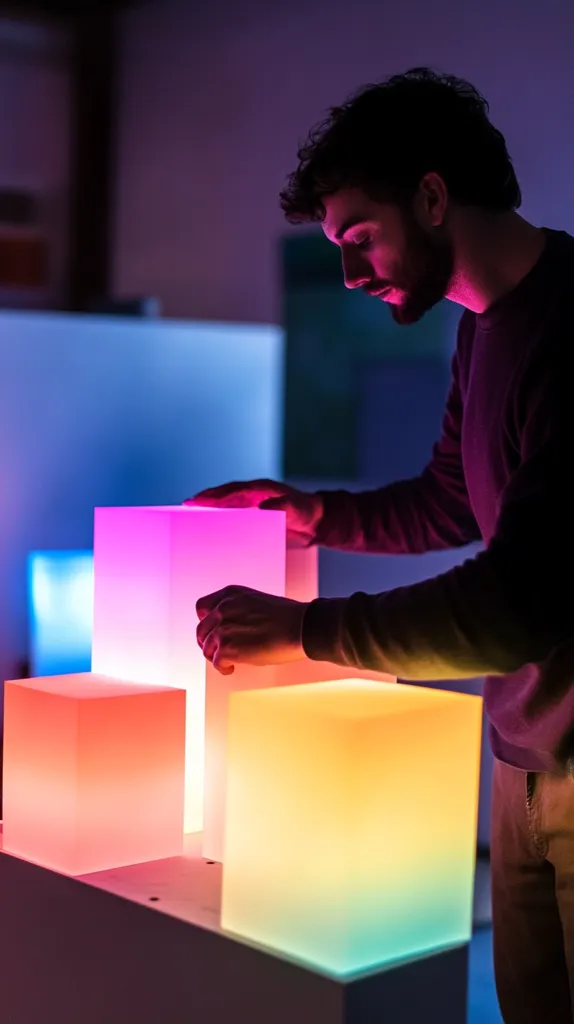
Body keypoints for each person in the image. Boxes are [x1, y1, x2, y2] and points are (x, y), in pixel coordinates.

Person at [186, 68, 574, 1022]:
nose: (352, 274)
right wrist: (316, 514)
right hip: (522, 762)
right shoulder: (485, 331)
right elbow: (455, 496)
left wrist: (303, 630)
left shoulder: (571, 329)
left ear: (434, 197)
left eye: (360, 237)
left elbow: (512, 604)